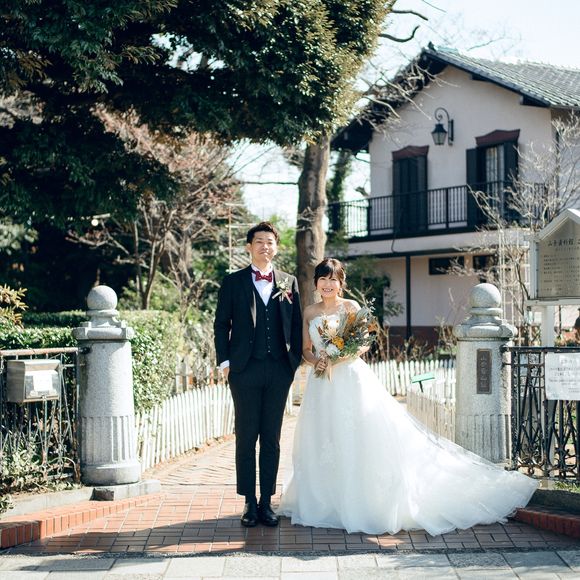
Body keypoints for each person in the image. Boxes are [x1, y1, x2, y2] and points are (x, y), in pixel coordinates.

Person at [278, 257, 538, 536]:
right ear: (316, 283)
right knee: (324, 437)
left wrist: (336, 358)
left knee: (356, 436)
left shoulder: (351, 307)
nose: (327, 284)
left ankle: (359, 501)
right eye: (323, 279)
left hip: (350, 379)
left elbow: (362, 344)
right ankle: (326, 502)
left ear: (341, 283)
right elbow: (306, 349)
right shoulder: (309, 311)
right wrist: (316, 360)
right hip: (321, 384)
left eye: (333, 279)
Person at [214, 222, 302, 528]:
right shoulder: (233, 282)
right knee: (246, 436)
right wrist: (225, 362)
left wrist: (292, 363)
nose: (265, 246)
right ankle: (249, 502)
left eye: (270, 241)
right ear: (249, 247)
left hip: (279, 369)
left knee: (272, 438)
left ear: (276, 247)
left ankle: (267, 502)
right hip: (244, 370)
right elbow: (221, 324)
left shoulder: (288, 282)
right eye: (259, 241)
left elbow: (296, 324)